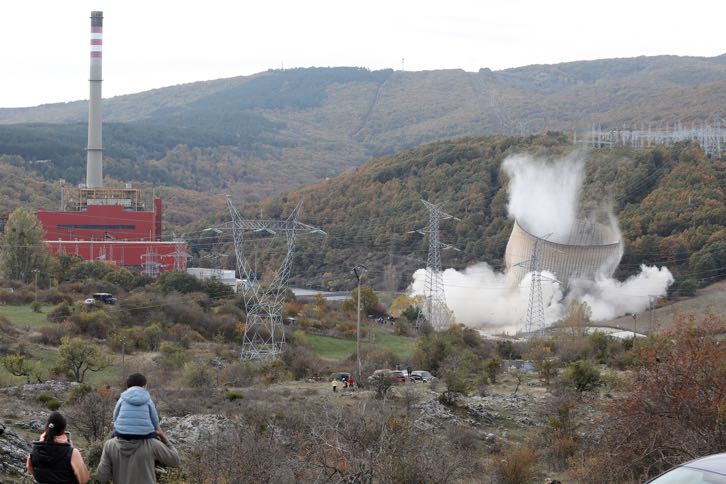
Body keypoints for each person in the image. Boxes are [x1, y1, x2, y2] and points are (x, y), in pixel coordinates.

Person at [96, 428, 180, 484]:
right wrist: (164, 438)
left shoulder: (109, 445)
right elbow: (175, 461)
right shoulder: (151, 443)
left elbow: (102, 477)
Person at [27, 411, 90, 484]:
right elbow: (84, 479)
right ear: (63, 429)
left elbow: (30, 471)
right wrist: (71, 450)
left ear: (47, 427)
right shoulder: (72, 453)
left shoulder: (34, 450)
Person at [113, 373, 159, 439]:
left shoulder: (122, 398)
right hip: (145, 434)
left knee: (112, 437)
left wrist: (118, 425)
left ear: (128, 386)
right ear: (144, 386)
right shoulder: (148, 399)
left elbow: (115, 415)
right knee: (158, 441)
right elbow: (154, 419)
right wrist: (155, 429)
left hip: (122, 433)